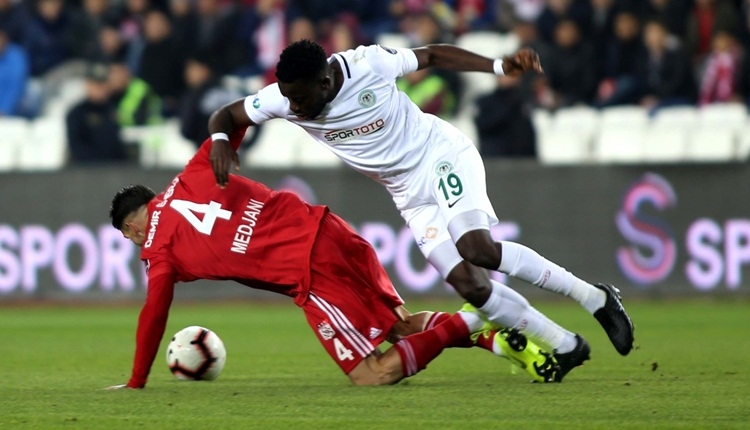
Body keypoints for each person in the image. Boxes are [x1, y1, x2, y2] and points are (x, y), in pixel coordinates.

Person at [206, 39, 635, 376]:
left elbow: (431, 55)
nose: (294, 109)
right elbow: (225, 115)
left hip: (439, 155)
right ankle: (564, 345)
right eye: (288, 100)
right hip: (407, 193)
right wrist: (222, 142)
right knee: (472, 287)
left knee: (478, 249)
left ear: (324, 83)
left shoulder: (368, 65)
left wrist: (498, 67)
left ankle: (594, 297)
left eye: (299, 99)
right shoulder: (283, 98)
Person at [104, 131, 562, 390]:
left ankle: (469, 321)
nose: (134, 240)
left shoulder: (157, 249)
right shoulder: (195, 172)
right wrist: (229, 132)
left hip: (310, 273)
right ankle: (495, 341)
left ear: (132, 224)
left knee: (373, 374)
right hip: (331, 229)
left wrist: (137, 379)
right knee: (401, 326)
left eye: (129, 233)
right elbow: (235, 119)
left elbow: (155, 312)